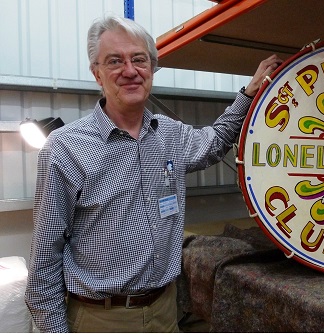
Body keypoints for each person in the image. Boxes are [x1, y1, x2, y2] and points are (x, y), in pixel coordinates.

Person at [25, 15, 282, 333]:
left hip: (165, 312)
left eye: (139, 60)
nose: (130, 71)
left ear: (151, 68)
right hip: (101, 320)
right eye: (115, 61)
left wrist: (248, 93)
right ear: (97, 74)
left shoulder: (170, 135)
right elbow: (45, 257)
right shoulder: (65, 149)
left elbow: (214, 142)